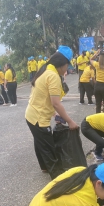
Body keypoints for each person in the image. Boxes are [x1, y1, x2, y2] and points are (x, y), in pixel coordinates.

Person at [25, 46, 78, 179]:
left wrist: (54, 113)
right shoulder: (53, 75)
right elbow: (56, 103)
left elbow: (44, 96)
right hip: (39, 119)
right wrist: (70, 121)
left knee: (39, 142)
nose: (67, 69)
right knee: (49, 149)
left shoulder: (45, 68)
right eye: (67, 65)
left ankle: (44, 167)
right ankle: (57, 179)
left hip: (31, 115)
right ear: (62, 64)